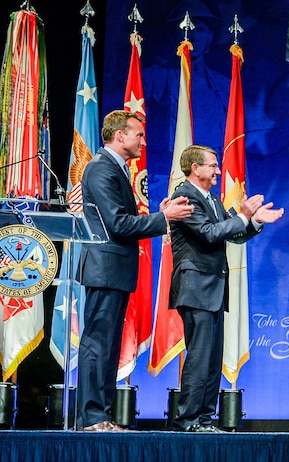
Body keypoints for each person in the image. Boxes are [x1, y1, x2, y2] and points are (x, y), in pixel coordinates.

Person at [76, 110, 194, 432]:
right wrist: (164, 218)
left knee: (109, 346)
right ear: (119, 136)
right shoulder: (101, 169)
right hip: (105, 269)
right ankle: (91, 417)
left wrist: (160, 215)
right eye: (138, 135)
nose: (143, 141)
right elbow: (117, 223)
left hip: (114, 270)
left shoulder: (115, 170)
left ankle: (101, 416)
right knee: (97, 345)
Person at [168, 144, 284, 432]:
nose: (218, 170)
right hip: (196, 287)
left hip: (213, 287)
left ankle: (205, 419)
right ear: (195, 168)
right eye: (212, 165)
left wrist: (253, 221)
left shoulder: (211, 199)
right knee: (199, 356)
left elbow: (231, 234)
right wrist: (242, 216)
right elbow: (209, 234)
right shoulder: (184, 196)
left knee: (211, 358)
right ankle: (188, 420)